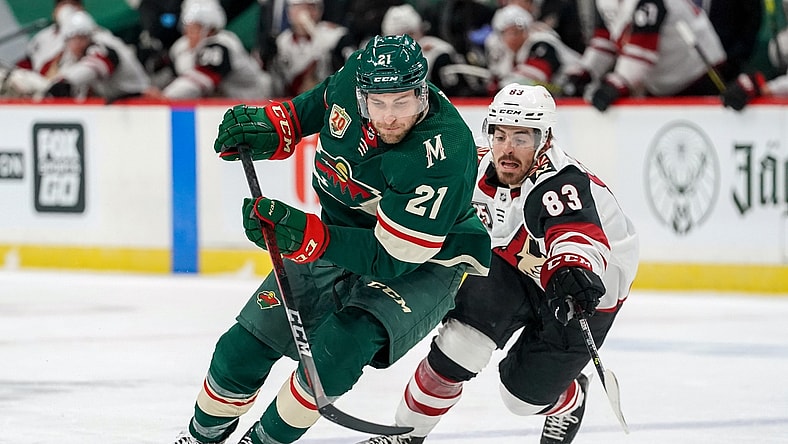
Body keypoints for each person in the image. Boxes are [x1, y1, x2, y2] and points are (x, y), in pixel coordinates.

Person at [171, 34, 492, 444]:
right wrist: (276, 126)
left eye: (403, 103)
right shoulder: (352, 79)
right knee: (242, 348)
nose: (390, 116)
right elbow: (317, 105)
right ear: (361, 96)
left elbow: (392, 258)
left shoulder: (443, 151)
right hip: (339, 237)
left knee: (336, 353)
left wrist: (308, 237)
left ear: (422, 93)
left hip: (423, 263)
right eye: (378, 103)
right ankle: (202, 436)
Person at [357, 83, 639, 444]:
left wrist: (574, 268)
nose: (507, 149)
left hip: (582, 294)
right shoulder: (474, 168)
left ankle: (568, 400)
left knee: (520, 399)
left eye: (521, 137)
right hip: (513, 267)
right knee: (458, 345)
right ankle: (404, 436)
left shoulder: (560, 181)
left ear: (544, 139)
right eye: (500, 135)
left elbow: (575, 232)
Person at [561, 0, 728, 111]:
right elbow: (607, 38)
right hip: (660, 84)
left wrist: (616, 83)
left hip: (700, 75)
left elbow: (641, 52)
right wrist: (586, 71)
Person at [145, 0, 273, 100]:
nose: (188, 33)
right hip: (224, 108)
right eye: (187, 27)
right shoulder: (181, 48)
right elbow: (168, 76)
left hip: (253, 105)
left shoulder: (222, 44)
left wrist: (166, 96)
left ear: (208, 28)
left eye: (194, 28)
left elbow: (201, 79)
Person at [380, 4, 488, 97]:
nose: (399, 44)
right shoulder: (381, 56)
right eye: (392, 38)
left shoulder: (438, 52)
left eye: (407, 36)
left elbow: (453, 94)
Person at [43, 10, 151, 101]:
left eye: (82, 37)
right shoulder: (74, 55)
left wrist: (65, 82)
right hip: (119, 102)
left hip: (139, 99)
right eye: (74, 39)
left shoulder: (104, 43)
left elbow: (94, 67)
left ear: (90, 35)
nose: (78, 43)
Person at [484, 4, 580, 95]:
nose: (511, 37)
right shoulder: (510, 53)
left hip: (580, 94)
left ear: (525, 30)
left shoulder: (541, 42)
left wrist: (499, 86)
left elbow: (532, 78)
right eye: (506, 33)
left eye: (515, 31)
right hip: (559, 98)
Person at [271, 0, 347, 96]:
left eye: (311, 7)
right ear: (289, 12)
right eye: (299, 7)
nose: (305, 13)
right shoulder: (281, 41)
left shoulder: (334, 36)